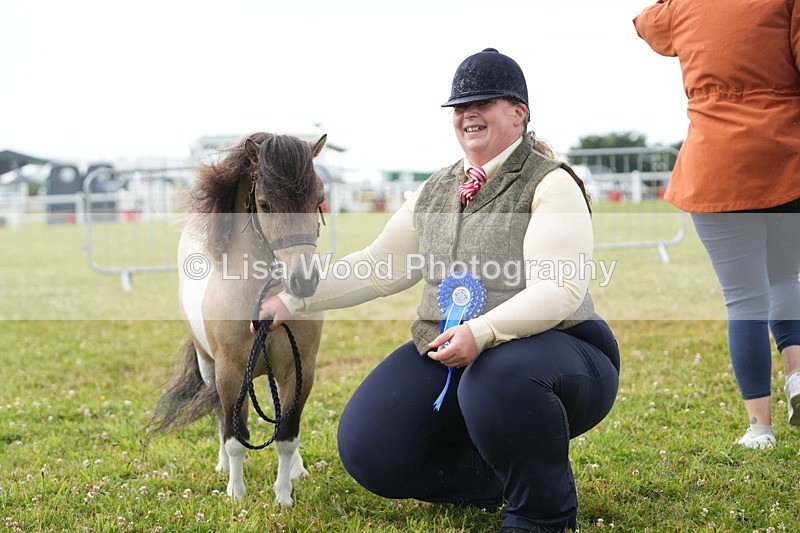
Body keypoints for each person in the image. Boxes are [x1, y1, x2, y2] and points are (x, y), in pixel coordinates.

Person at [256, 48, 620, 532]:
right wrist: (292, 299)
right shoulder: (434, 189)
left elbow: (560, 289)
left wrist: (484, 332)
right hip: (454, 348)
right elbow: (379, 265)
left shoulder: (551, 184)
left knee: (498, 377)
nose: (468, 112)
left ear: (518, 113)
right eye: (460, 105)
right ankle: (499, 479)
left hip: (564, 352)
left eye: (484, 102)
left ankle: (540, 512)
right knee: (370, 447)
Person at [634, 0, 800, 448]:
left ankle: (759, 429)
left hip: (716, 163)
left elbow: (647, 25)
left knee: (743, 299)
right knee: (786, 275)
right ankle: (798, 373)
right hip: (786, 154)